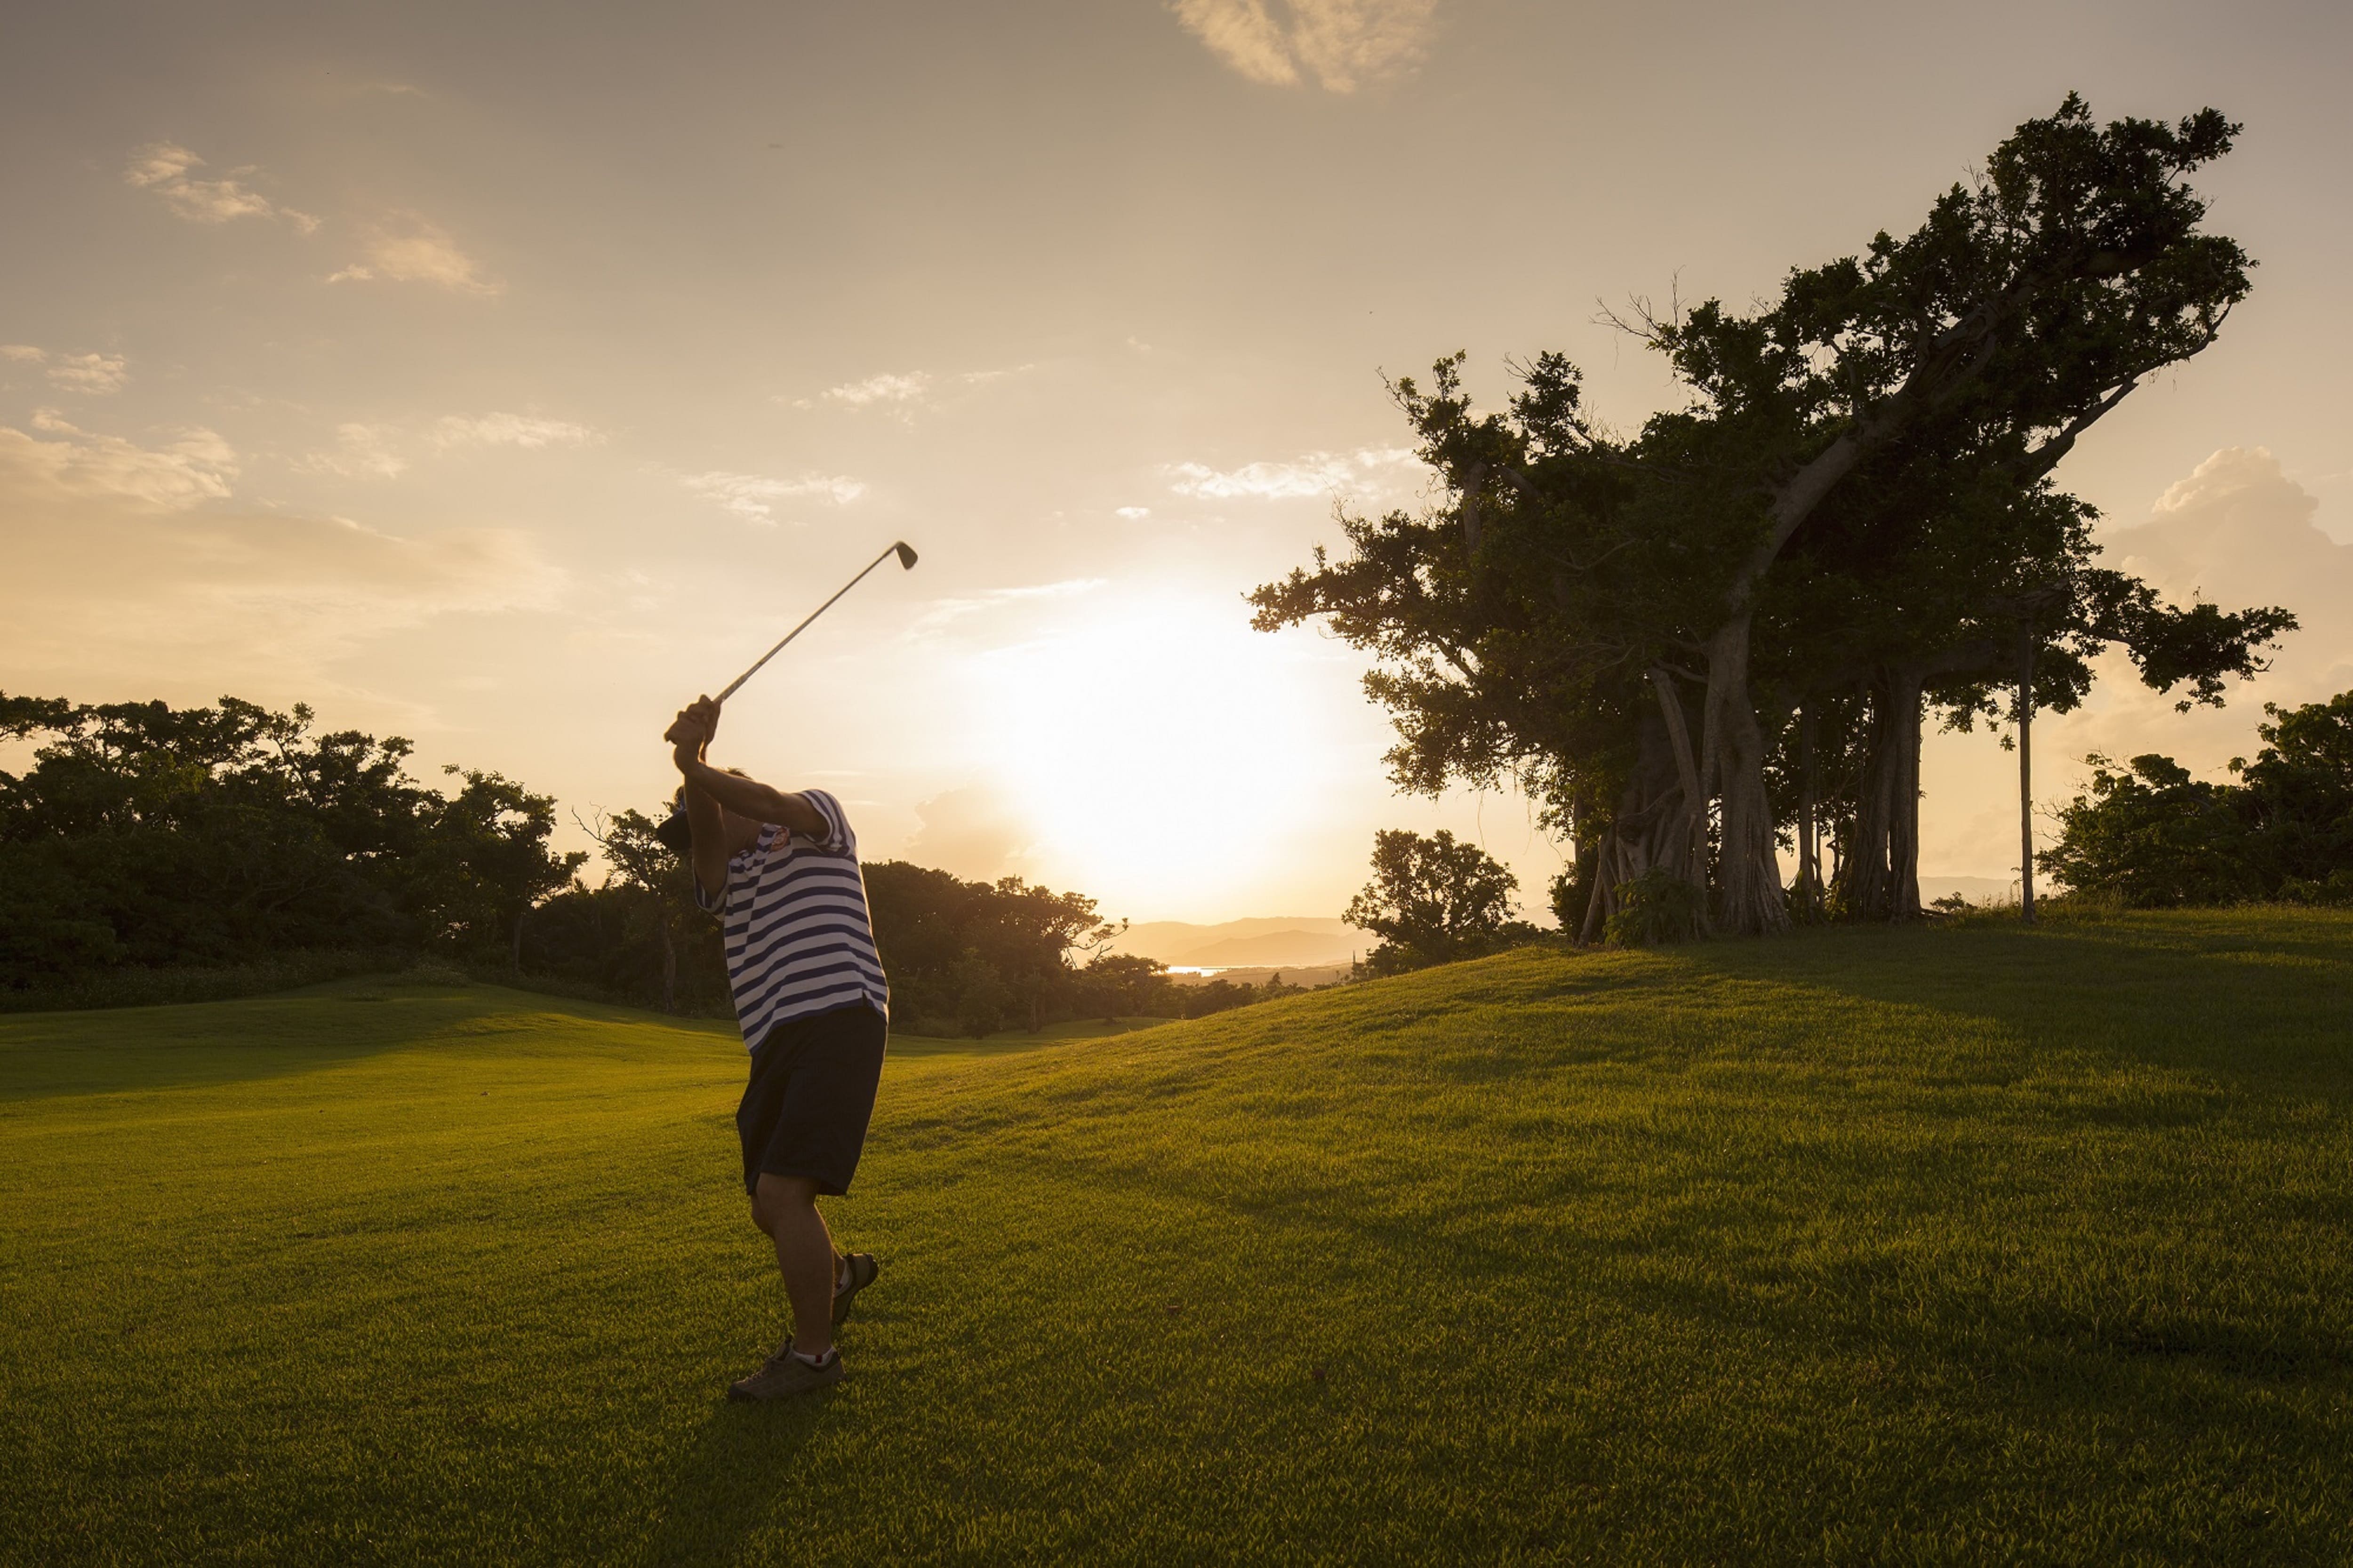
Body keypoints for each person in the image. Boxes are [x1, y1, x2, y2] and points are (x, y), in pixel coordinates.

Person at [664, 694, 888, 1400]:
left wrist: (694, 764)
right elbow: (704, 841)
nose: (696, 837)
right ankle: (839, 1275)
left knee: (784, 1190)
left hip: (837, 1015)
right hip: (774, 1041)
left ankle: (814, 1360)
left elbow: (764, 799)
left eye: (705, 804)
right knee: (768, 1204)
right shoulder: (725, 885)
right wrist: (690, 767)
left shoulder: (817, 821)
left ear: (737, 804)